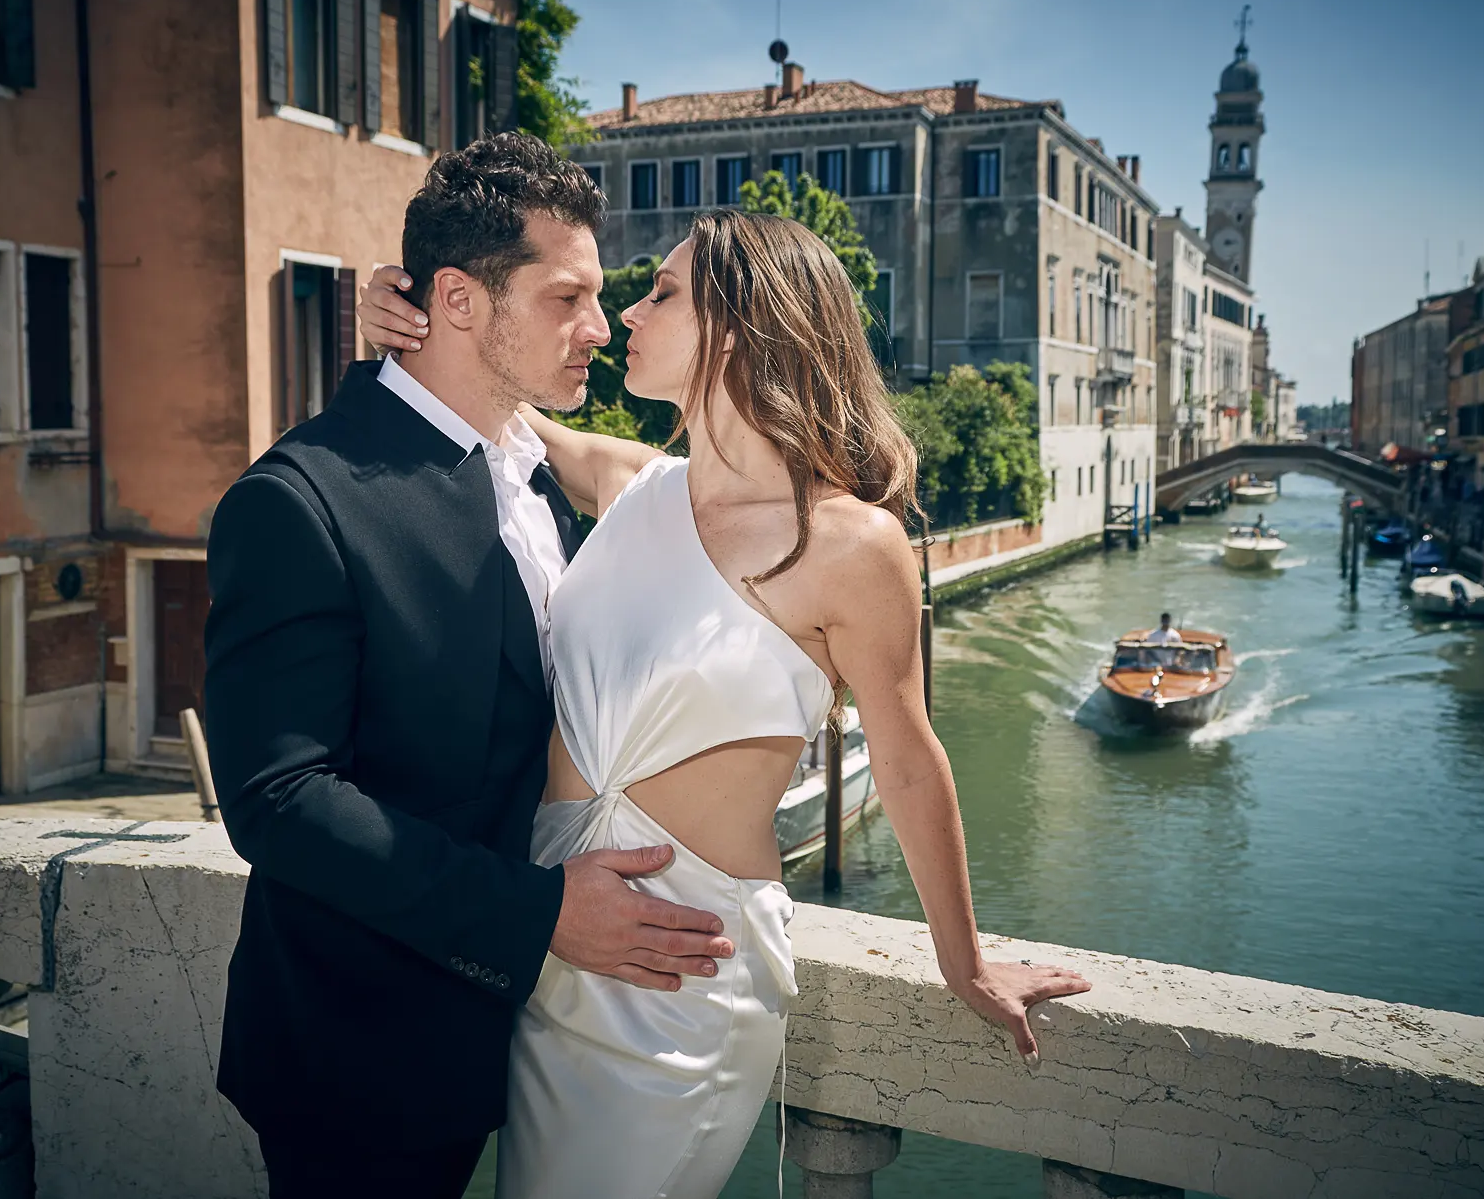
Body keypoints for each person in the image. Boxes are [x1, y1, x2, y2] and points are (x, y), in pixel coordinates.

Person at [361, 207, 1090, 1197]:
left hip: (679, 982)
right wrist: (399, 312)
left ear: (738, 328)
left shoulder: (849, 545)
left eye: (659, 293)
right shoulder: (630, 483)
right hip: (550, 947)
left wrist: (962, 962)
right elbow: (478, 386)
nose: (623, 315)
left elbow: (911, 758)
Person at [202, 135, 736, 1199]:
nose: (599, 326)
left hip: (536, 1041)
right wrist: (534, 916)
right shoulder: (297, 499)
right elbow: (278, 800)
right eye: (566, 297)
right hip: (359, 1056)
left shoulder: (536, 474)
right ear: (455, 300)